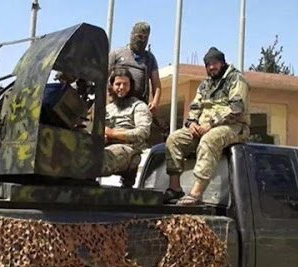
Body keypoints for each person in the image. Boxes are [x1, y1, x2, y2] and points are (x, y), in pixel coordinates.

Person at [163, 47, 251, 205]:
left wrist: (211, 124)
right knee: (174, 139)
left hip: (234, 126)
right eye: (208, 65)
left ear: (222, 63)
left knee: (209, 141)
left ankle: (196, 194)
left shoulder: (236, 79)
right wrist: (192, 123)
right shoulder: (205, 85)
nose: (211, 67)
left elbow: (237, 108)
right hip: (204, 127)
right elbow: (195, 107)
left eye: (215, 63)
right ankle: (175, 189)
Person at [102, 68, 152, 187]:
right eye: (118, 84)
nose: (121, 87)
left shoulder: (138, 106)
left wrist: (113, 133)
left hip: (129, 149)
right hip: (105, 145)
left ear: (131, 86)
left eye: (125, 84)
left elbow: (143, 132)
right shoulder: (107, 109)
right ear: (112, 86)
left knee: (99, 160)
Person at [108, 21, 162, 114]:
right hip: (116, 103)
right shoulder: (117, 53)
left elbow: (156, 85)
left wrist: (155, 103)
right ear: (132, 35)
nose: (142, 40)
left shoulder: (150, 58)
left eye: (145, 38)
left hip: (139, 106)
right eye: (140, 37)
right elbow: (103, 77)